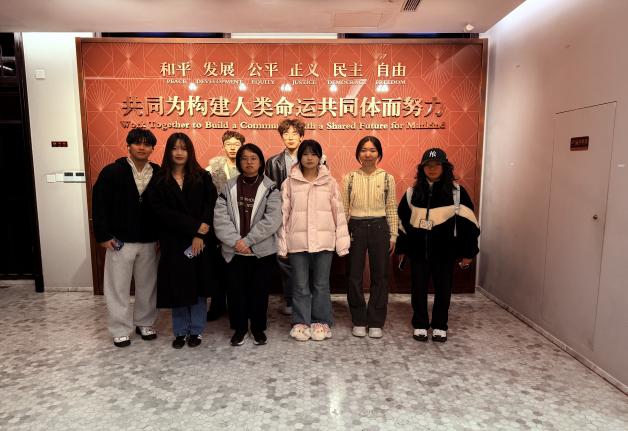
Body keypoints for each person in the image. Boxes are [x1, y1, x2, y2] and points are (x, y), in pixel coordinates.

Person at [396, 148, 480, 342]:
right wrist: (402, 249)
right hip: (418, 252)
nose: (432, 168)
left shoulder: (457, 193)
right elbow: (401, 224)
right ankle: (420, 323)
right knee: (418, 289)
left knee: (443, 290)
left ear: (445, 167)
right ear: (422, 168)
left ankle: (440, 325)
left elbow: (470, 225)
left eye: (436, 165)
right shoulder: (412, 193)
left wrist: (469, 253)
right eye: (428, 165)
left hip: (445, 253)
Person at [92, 128, 160, 348]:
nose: (142, 147)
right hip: (119, 241)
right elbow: (99, 204)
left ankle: (145, 323)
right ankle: (120, 329)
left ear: (152, 148)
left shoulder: (158, 172)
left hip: (149, 240)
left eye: (146, 144)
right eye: (137, 143)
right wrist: (103, 235)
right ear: (128, 146)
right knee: (117, 287)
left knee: (147, 286)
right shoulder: (112, 172)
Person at [277, 140, 350, 342]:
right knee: (300, 285)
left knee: (321, 284)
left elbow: (339, 214)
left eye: (314, 154)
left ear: (320, 157)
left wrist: (342, 243)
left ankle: (321, 321)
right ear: (299, 157)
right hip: (297, 242)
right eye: (305, 154)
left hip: (324, 241)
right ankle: (301, 322)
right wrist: (282, 244)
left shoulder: (330, 182)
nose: (309, 158)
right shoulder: (289, 183)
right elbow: (283, 215)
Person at [151, 132, 218, 349]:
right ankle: (180, 331)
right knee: (177, 286)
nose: (179, 152)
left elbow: (210, 206)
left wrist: (200, 234)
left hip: (199, 242)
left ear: (190, 151)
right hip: (172, 241)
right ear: (168, 151)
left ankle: (196, 330)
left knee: (198, 287)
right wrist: (193, 226)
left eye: (184, 148)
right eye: (174, 148)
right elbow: (160, 212)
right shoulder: (159, 179)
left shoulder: (202, 176)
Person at [214, 143, 282, 346]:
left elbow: (272, 220)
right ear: (238, 162)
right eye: (244, 158)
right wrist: (236, 242)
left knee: (260, 292)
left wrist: (248, 241)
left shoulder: (271, 187)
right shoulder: (229, 186)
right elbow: (220, 217)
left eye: (253, 158)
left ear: (260, 162)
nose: (249, 162)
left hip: (261, 252)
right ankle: (240, 328)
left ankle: (258, 328)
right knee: (236, 293)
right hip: (234, 251)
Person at [342, 136, 398, 339]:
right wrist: (342, 234)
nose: (368, 154)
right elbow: (343, 209)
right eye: (364, 150)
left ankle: (375, 321)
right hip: (355, 227)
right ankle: (358, 319)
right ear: (358, 154)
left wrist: (393, 235)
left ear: (379, 154)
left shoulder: (387, 178)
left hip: (379, 227)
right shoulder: (349, 178)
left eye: (372, 150)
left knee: (380, 276)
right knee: (354, 275)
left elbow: (391, 208)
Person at [265, 118, 305, 315]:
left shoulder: (314, 158)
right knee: (284, 258)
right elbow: (268, 191)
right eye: (286, 134)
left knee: (305, 258)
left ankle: (304, 299)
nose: (290, 137)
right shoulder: (273, 162)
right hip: (282, 214)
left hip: (305, 214)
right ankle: (289, 299)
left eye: (294, 133)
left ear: (301, 137)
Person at [205, 130, 245, 321]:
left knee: (238, 268)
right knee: (217, 266)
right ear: (223, 146)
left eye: (236, 144)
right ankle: (217, 305)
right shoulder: (212, 168)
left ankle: (238, 306)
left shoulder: (249, 166)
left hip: (241, 224)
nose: (232, 148)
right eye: (229, 144)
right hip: (218, 223)